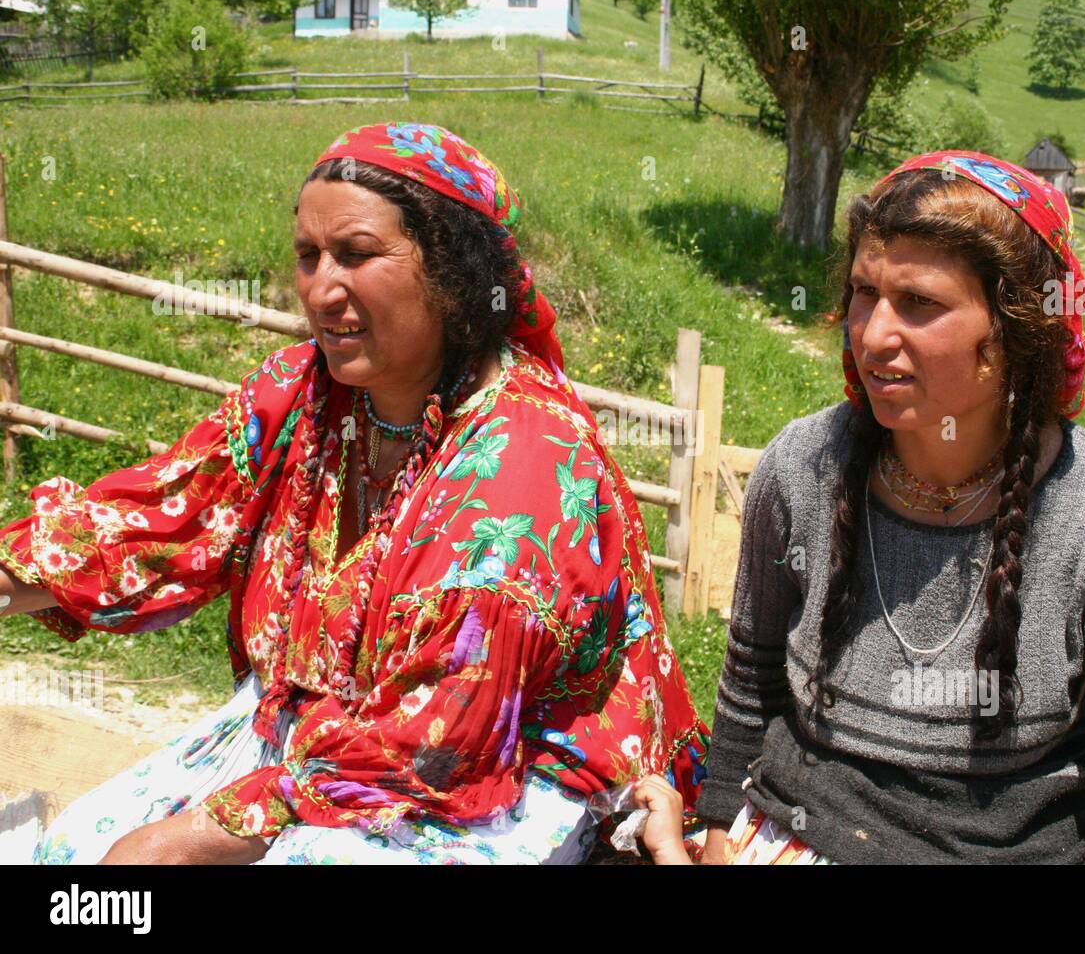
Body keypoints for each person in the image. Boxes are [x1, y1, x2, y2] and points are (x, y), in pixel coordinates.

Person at [0, 122, 709, 865]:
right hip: (309, 732)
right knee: (77, 848)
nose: (322, 289)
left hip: (492, 773)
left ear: (453, 272)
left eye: (358, 255)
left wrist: (188, 840)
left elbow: (439, 741)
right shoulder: (300, 394)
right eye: (308, 256)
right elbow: (165, 519)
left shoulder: (526, 455)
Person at [648, 150, 1085, 865]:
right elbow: (752, 680)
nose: (872, 335)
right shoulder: (803, 468)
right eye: (865, 292)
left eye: (920, 303)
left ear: (1017, 326)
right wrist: (717, 835)